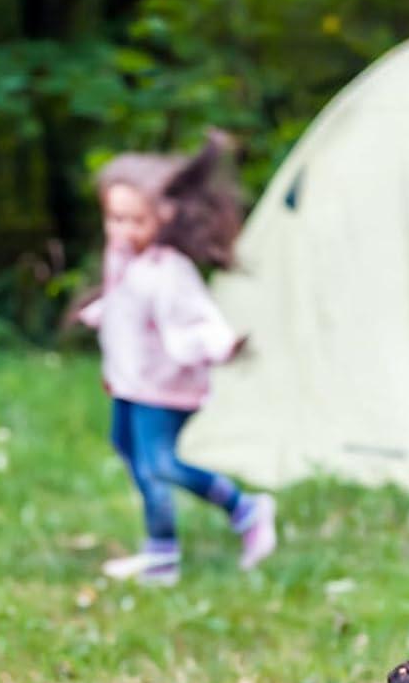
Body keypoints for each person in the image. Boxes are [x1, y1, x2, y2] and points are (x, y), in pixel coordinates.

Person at [79, 132, 276, 585]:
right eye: (115, 219)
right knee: (129, 450)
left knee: (161, 464)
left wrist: (219, 343)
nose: (124, 231)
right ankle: (162, 549)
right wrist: (103, 315)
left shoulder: (170, 269)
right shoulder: (126, 257)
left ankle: (242, 510)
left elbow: (195, 319)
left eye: (136, 220)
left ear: (165, 216)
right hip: (131, 382)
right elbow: (126, 302)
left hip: (164, 389)